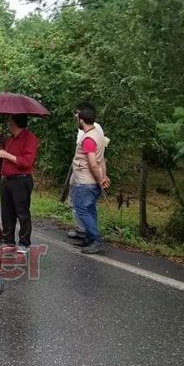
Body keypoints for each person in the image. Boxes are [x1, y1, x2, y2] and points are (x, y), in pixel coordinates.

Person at [0, 114, 39, 253]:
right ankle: (8, 240)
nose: (8, 123)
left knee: (22, 212)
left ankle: (24, 242)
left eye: (10, 121)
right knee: (7, 212)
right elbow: (6, 157)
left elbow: (26, 162)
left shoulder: (29, 138)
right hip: (7, 179)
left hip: (21, 180)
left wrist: (7, 155)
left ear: (15, 123)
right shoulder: (10, 139)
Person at [70, 104, 110, 254]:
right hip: (92, 181)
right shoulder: (99, 134)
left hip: (86, 181)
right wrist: (103, 176)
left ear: (81, 120)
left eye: (77, 119)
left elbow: (93, 164)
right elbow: (102, 159)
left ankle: (95, 239)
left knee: (81, 209)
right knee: (90, 209)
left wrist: (100, 178)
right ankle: (89, 238)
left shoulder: (88, 139)